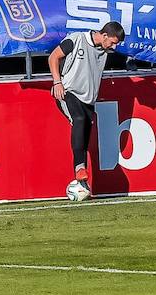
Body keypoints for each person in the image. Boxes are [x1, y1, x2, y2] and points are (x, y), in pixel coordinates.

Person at [48, 20, 125, 200]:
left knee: (84, 133)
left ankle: (81, 183)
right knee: (79, 120)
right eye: (113, 42)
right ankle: (79, 169)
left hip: (88, 100)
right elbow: (53, 57)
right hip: (67, 92)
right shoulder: (77, 39)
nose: (114, 46)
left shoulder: (105, 49)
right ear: (104, 35)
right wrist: (57, 82)